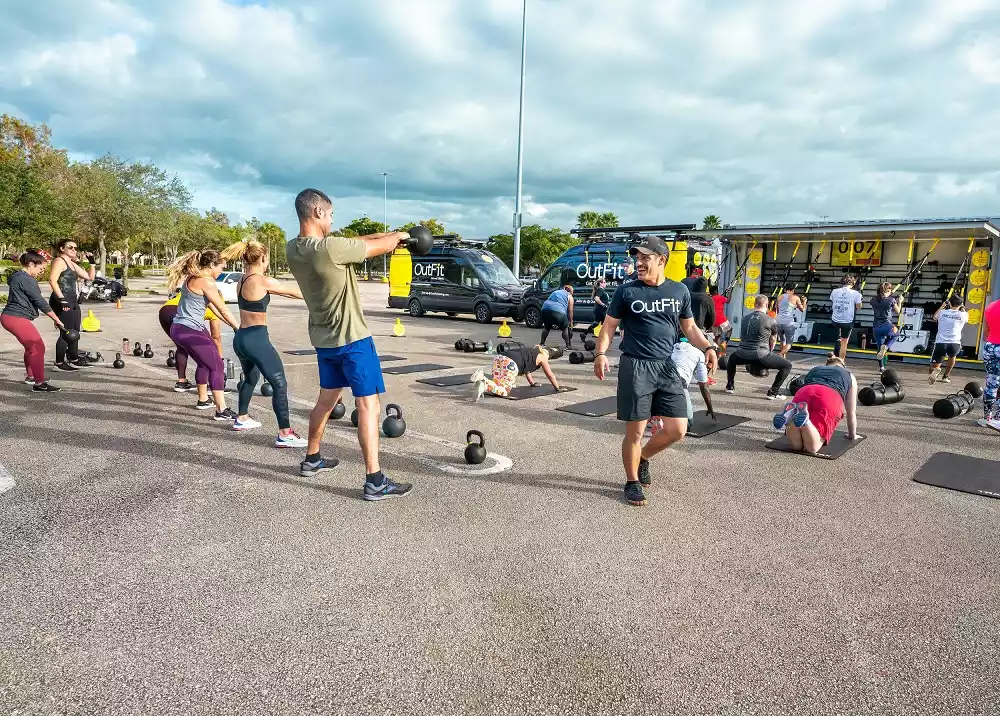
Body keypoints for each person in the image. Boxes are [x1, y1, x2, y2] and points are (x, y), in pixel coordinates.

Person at [286, 188, 414, 500]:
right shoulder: (329, 249)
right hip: (353, 340)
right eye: (329, 215)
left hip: (324, 341)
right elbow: (377, 247)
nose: (331, 221)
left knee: (326, 402)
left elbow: (362, 242)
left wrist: (390, 233)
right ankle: (375, 480)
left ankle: (312, 459)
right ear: (318, 213)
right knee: (368, 405)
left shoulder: (293, 248)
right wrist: (399, 235)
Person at [593, 236, 718, 507]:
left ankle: (644, 458)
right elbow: (609, 326)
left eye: (645, 258)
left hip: (666, 364)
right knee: (635, 432)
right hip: (636, 365)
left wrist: (709, 347)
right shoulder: (626, 292)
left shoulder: (679, 292)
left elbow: (690, 328)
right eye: (637, 258)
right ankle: (631, 481)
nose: (639, 262)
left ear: (661, 260)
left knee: (677, 429)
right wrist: (601, 353)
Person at [219, 240, 308, 447]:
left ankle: (242, 418)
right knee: (280, 383)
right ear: (263, 258)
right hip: (256, 339)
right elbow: (295, 293)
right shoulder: (262, 280)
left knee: (251, 379)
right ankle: (285, 433)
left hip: (241, 337)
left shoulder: (242, 280)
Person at [165, 249, 240, 420]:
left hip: (180, 328)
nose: (221, 272)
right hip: (190, 330)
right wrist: (239, 327)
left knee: (204, 363)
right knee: (217, 365)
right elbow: (224, 308)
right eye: (221, 267)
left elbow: (213, 308)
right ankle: (221, 409)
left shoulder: (192, 278)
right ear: (212, 265)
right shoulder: (206, 282)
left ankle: (203, 400)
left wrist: (233, 326)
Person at [1, 250, 65, 392]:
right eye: (41, 268)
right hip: (15, 317)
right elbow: (40, 302)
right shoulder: (26, 279)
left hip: (12, 317)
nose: (42, 272)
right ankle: (39, 384)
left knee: (31, 348)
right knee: (37, 347)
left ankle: (31, 376)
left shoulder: (18, 276)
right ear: (31, 264)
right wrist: (57, 319)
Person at [772, 354, 861, 453]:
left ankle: (791, 417)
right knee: (812, 448)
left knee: (796, 446)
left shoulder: (815, 369)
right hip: (829, 395)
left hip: (804, 392)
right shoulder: (848, 375)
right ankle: (806, 421)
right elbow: (851, 412)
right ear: (843, 366)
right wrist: (852, 435)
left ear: (827, 364)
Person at [724, 295, 793, 399]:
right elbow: (773, 340)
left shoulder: (744, 318)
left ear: (754, 304)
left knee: (731, 360)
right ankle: (773, 392)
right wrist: (770, 351)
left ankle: (730, 386)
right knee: (787, 365)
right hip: (761, 354)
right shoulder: (771, 320)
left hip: (741, 353)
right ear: (766, 305)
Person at [646, 337, 716, 437]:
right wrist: (710, 408)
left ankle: (655, 416)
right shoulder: (700, 354)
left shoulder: (674, 346)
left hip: (654, 380)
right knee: (688, 423)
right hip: (677, 382)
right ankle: (664, 421)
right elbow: (704, 386)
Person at [158, 291, 224, 392]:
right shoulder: (216, 305)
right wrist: (219, 360)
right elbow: (216, 337)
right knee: (207, 348)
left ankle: (182, 382)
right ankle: (210, 387)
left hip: (164, 311)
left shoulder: (195, 291)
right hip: (181, 315)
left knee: (181, 346)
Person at [48, 239, 96, 370]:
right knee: (67, 331)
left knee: (75, 331)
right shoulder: (59, 261)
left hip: (73, 298)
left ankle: (73, 358)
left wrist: (92, 263)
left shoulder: (72, 264)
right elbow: (52, 280)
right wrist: (62, 299)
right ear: (62, 249)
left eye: (75, 248)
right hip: (62, 298)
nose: (74, 250)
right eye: (71, 247)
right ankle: (58, 363)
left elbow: (89, 277)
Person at [470, 344, 564, 400]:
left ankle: (482, 380)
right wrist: (557, 387)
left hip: (499, 358)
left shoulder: (532, 351)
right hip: (509, 364)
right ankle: (484, 382)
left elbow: (527, 370)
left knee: (498, 384)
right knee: (504, 392)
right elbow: (550, 375)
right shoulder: (543, 357)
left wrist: (532, 383)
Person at [928, 294, 969, 385]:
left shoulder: (942, 312)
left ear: (949, 303)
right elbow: (965, 317)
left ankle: (936, 370)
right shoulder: (964, 315)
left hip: (940, 343)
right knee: (952, 357)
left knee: (932, 367)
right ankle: (945, 377)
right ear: (961, 304)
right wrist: (962, 309)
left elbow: (934, 317)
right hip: (954, 343)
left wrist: (942, 306)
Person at [829, 276, 863, 361]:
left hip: (835, 320)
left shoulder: (834, 291)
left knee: (839, 338)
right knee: (844, 342)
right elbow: (858, 307)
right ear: (852, 283)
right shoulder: (855, 293)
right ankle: (841, 361)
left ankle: (837, 343)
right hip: (847, 321)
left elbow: (833, 301)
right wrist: (860, 299)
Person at [869, 282, 901, 372]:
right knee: (896, 334)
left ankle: (881, 368)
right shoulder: (891, 300)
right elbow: (898, 312)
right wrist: (900, 301)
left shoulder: (873, 300)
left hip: (876, 328)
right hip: (887, 325)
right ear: (888, 290)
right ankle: (886, 347)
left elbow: (881, 300)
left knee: (879, 349)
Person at [978, 298, 1000, 430]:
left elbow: (985, 333)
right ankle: (998, 418)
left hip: (991, 346)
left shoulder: (991, 306)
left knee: (991, 383)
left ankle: (987, 418)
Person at [775, 283, 806, 358]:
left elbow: (777, 309)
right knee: (789, 343)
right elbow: (802, 309)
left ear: (785, 289)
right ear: (793, 290)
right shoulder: (795, 297)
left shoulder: (779, 297)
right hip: (788, 322)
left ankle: (783, 358)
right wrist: (804, 301)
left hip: (778, 321)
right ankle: (781, 354)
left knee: (782, 340)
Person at [710, 285, 731, 353]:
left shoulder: (709, 298)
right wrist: (730, 292)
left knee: (717, 337)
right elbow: (728, 301)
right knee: (729, 330)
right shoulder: (721, 297)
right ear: (717, 291)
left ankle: (717, 352)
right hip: (721, 320)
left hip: (712, 320)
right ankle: (724, 342)